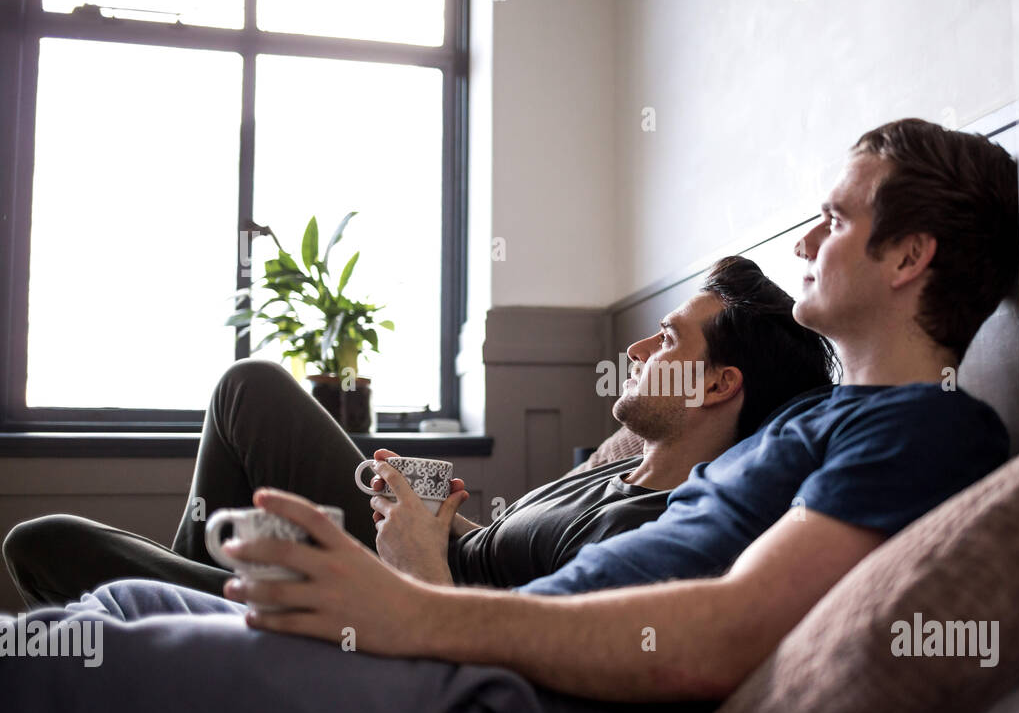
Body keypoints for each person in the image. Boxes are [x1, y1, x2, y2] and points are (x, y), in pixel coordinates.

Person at [0, 119, 1019, 713]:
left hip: (534, 710)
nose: (807, 238)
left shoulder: (927, 429)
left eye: (837, 219)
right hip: (489, 664)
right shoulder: (815, 422)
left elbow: (727, 634)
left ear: (906, 258)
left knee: (82, 671)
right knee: (124, 605)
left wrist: (416, 611)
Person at [2, 257, 836, 606]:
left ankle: (184, 589)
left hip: (395, 602)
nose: (637, 348)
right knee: (248, 387)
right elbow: (502, 550)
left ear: (720, 384)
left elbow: (504, 638)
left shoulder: (661, 530)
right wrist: (425, 501)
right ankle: (192, 578)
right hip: (417, 552)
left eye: (667, 342)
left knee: (49, 544)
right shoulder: (620, 470)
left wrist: (418, 557)